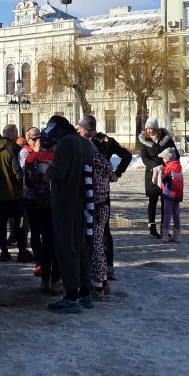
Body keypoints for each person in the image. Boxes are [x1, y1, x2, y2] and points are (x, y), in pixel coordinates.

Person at [45, 115, 97, 313]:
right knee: (83, 248)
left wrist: (47, 169)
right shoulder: (84, 143)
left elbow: (59, 173)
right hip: (85, 204)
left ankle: (71, 296)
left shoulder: (67, 143)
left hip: (67, 204)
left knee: (68, 249)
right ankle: (85, 293)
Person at [78, 116, 118, 299]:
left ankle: (98, 285)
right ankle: (102, 282)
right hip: (103, 206)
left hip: (92, 207)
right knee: (99, 244)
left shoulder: (91, 163)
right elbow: (113, 177)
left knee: (94, 246)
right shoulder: (104, 162)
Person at [89, 124, 131, 281]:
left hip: (100, 190)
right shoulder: (82, 141)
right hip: (90, 190)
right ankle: (95, 266)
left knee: (103, 228)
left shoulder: (106, 141)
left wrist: (117, 173)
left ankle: (107, 266)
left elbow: (127, 156)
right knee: (95, 229)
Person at [22, 128, 59, 293]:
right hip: (55, 205)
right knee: (56, 244)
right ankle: (56, 281)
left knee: (45, 242)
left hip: (38, 203)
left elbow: (28, 183)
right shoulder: (56, 158)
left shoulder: (30, 159)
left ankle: (44, 280)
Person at [0, 124, 27, 263]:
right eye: (16, 133)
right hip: (14, 192)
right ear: (11, 133)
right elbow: (17, 170)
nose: (17, 136)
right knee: (20, 221)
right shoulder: (12, 148)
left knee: (1, 222)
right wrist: (22, 185)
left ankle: (4, 251)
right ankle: (22, 250)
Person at [137, 118, 176, 239]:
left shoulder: (166, 139)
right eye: (148, 128)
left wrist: (167, 163)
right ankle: (152, 229)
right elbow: (145, 159)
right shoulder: (144, 141)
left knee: (165, 202)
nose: (150, 131)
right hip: (152, 174)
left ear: (156, 128)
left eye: (152, 128)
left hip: (166, 173)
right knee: (152, 201)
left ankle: (164, 229)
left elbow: (176, 154)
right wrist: (156, 166)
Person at [157, 148, 184, 243]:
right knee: (176, 215)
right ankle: (177, 236)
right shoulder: (178, 167)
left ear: (167, 159)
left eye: (163, 158)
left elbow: (162, 180)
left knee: (167, 214)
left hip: (169, 194)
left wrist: (160, 172)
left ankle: (165, 236)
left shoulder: (168, 168)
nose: (163, 160)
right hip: (178, 194)